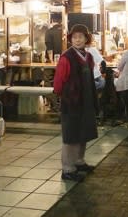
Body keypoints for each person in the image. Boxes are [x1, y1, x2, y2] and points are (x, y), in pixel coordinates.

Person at [53, 24, 98, 182]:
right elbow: (59, 81)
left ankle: (79, 162)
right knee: (71, 135)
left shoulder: (88, 56)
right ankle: (67, 169)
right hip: (71, 102)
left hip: (86, 101)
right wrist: (60, 98)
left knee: (83, 132)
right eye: (75, 37)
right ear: (71, 39)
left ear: (86, 39)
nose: (78, 40)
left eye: (81, 37)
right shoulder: (67, 57)